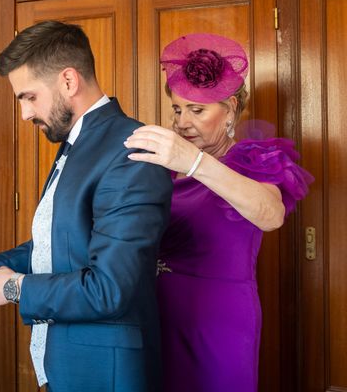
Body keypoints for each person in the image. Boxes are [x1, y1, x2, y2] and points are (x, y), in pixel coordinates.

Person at [0, 21, 173, 391]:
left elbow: (111, 289)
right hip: (64, 361)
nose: (24, 114)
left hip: (105, 370)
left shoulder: (130, 153)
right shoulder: (78, 145)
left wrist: (13, 288)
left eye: (29, 96)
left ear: (68, 81)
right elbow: (56, 247)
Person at [124, 33, 313, 392]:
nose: (181, 122)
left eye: (197, 110)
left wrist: (195, 162)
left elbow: (270, 215)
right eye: (177, 109)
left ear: (230, 110)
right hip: (154, 310)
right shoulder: (162, 168)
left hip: (217, 318)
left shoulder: (253, 160)